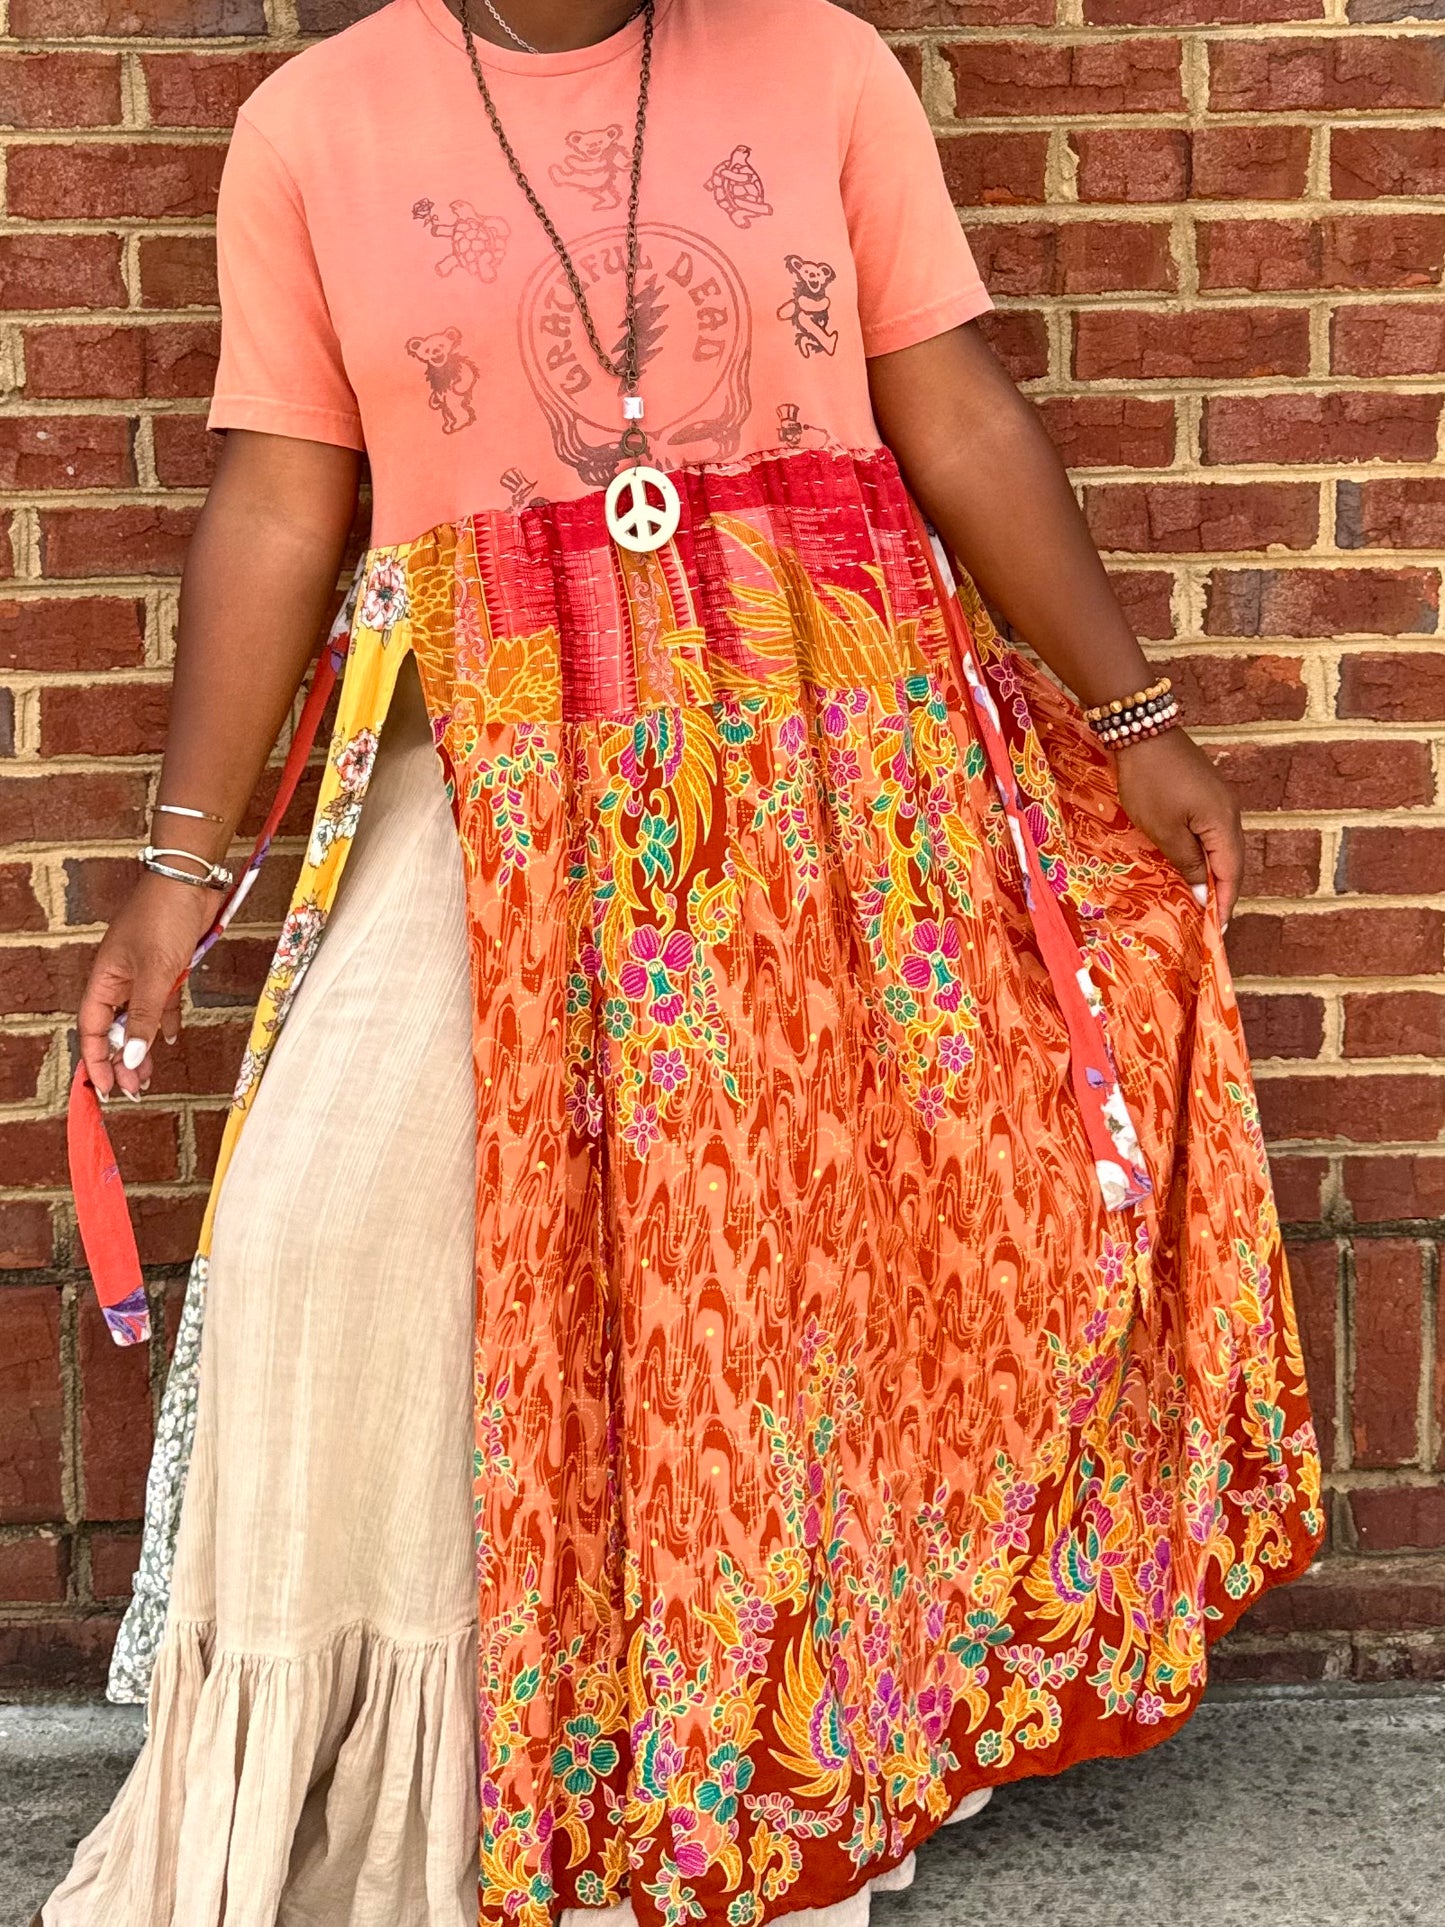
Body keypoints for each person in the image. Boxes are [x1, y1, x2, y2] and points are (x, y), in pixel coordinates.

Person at [40, 0, 1325, 1921]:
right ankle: (414, 1794)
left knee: (781, 1270)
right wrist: (176, 866)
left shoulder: (821, 62)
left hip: (832, 757)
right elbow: (283, 500)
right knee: (322, 1230)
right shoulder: (313, 125)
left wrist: (1132, 718)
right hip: (501, 758)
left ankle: (766, 1746)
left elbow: (953, 406)